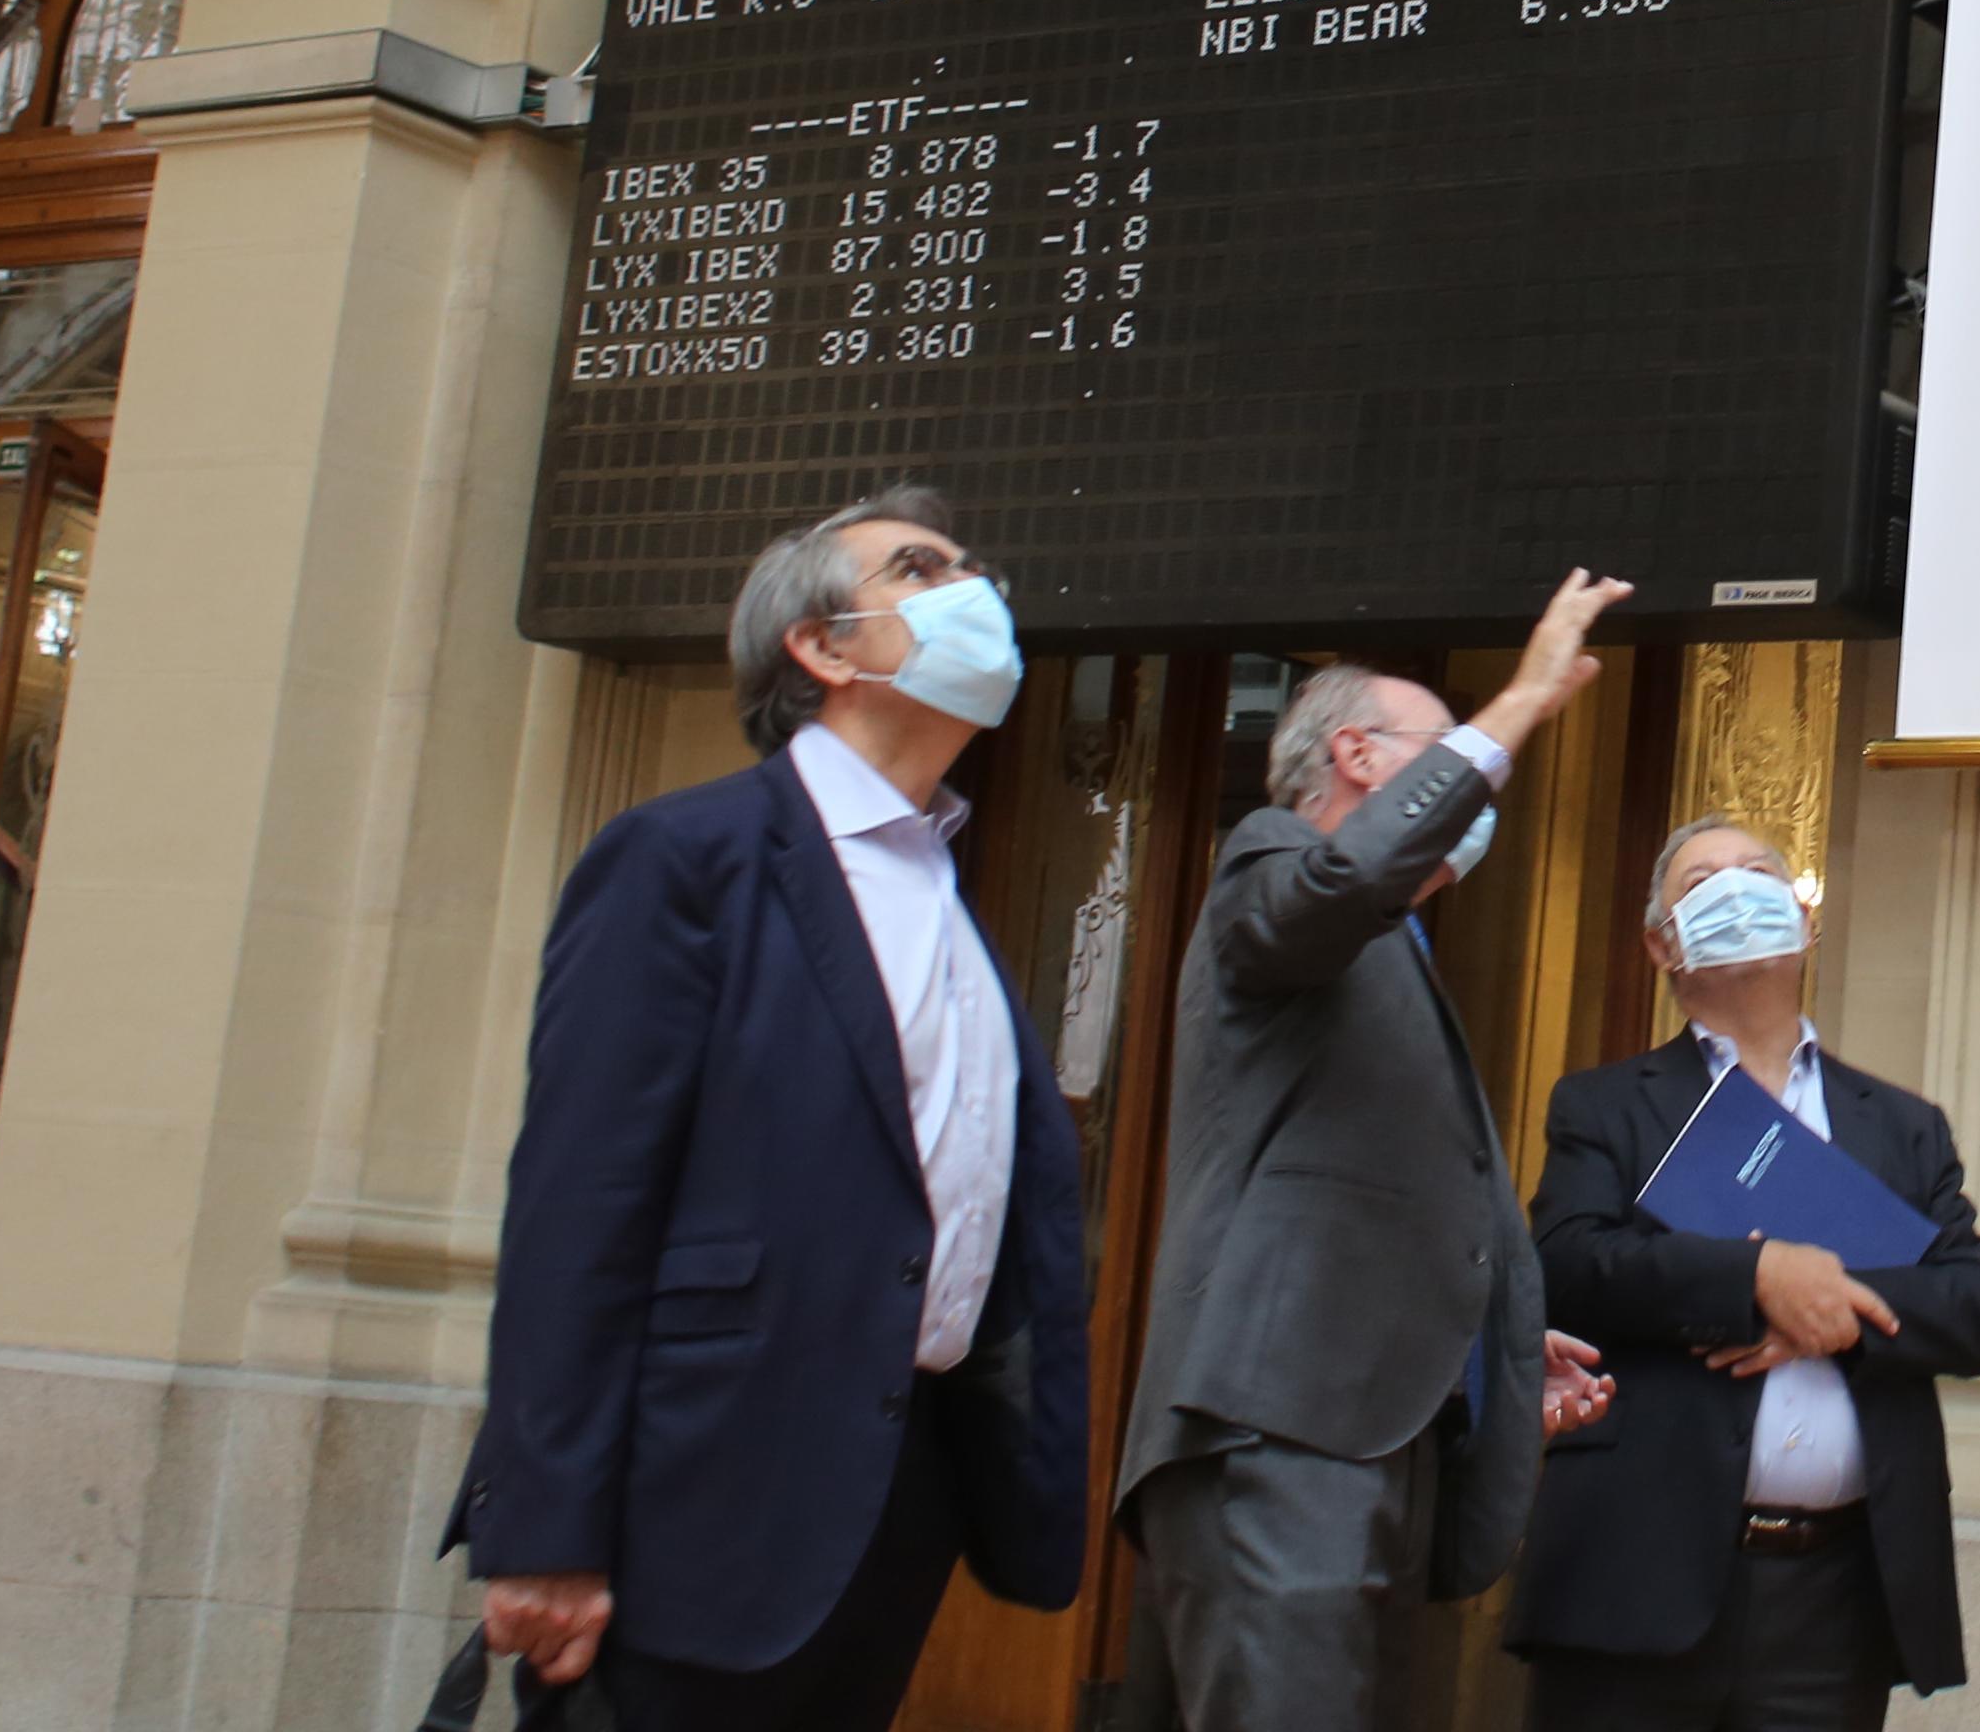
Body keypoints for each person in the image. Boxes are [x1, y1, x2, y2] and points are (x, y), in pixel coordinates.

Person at [456, 485, 1090, 1731]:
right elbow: (580, 1204)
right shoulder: (684, 858)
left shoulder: (944, 893)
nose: (975, 593)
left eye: (974, 566)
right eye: (920, 568)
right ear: (822, 645)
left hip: (892, 1491)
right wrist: (546, 1529)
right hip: (698, 1497)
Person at [1117, 573, 1635, 1730]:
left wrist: (1484, 1341)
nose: (1478, 780)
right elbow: (1346, 880)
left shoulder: (1397, 948)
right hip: (1279, 1429)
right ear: (1355, 753)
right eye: (1442, 748)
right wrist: (1517, 708)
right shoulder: (1271, 863)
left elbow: (1375, 1187)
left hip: (1368, 1438)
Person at [1504, 817, 1980, 1731]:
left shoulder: (1901, 1125)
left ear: (1804, 921)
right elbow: (1566, 1266)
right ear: (1663, 942)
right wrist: (1754, 1277)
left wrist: (1837, 1310)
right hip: (1635, 1575)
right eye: (1703, 880)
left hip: (1835, 1595)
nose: (1736, 890)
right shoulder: (1607, 1104)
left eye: (1758, 873)